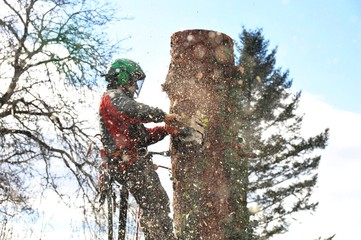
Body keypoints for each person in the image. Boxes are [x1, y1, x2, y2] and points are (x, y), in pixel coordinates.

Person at [98, 58, 177, 240]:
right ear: (124, 78)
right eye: (134, 82)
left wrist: (165, 129)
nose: (135, 87)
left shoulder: (120, 105)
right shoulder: (112, 98)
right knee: (155, 203)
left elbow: (142, 137)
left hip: (132, 162)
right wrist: (163, 116)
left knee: (157, 202)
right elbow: (134, 110)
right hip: (128, 164)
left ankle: (159, 236)